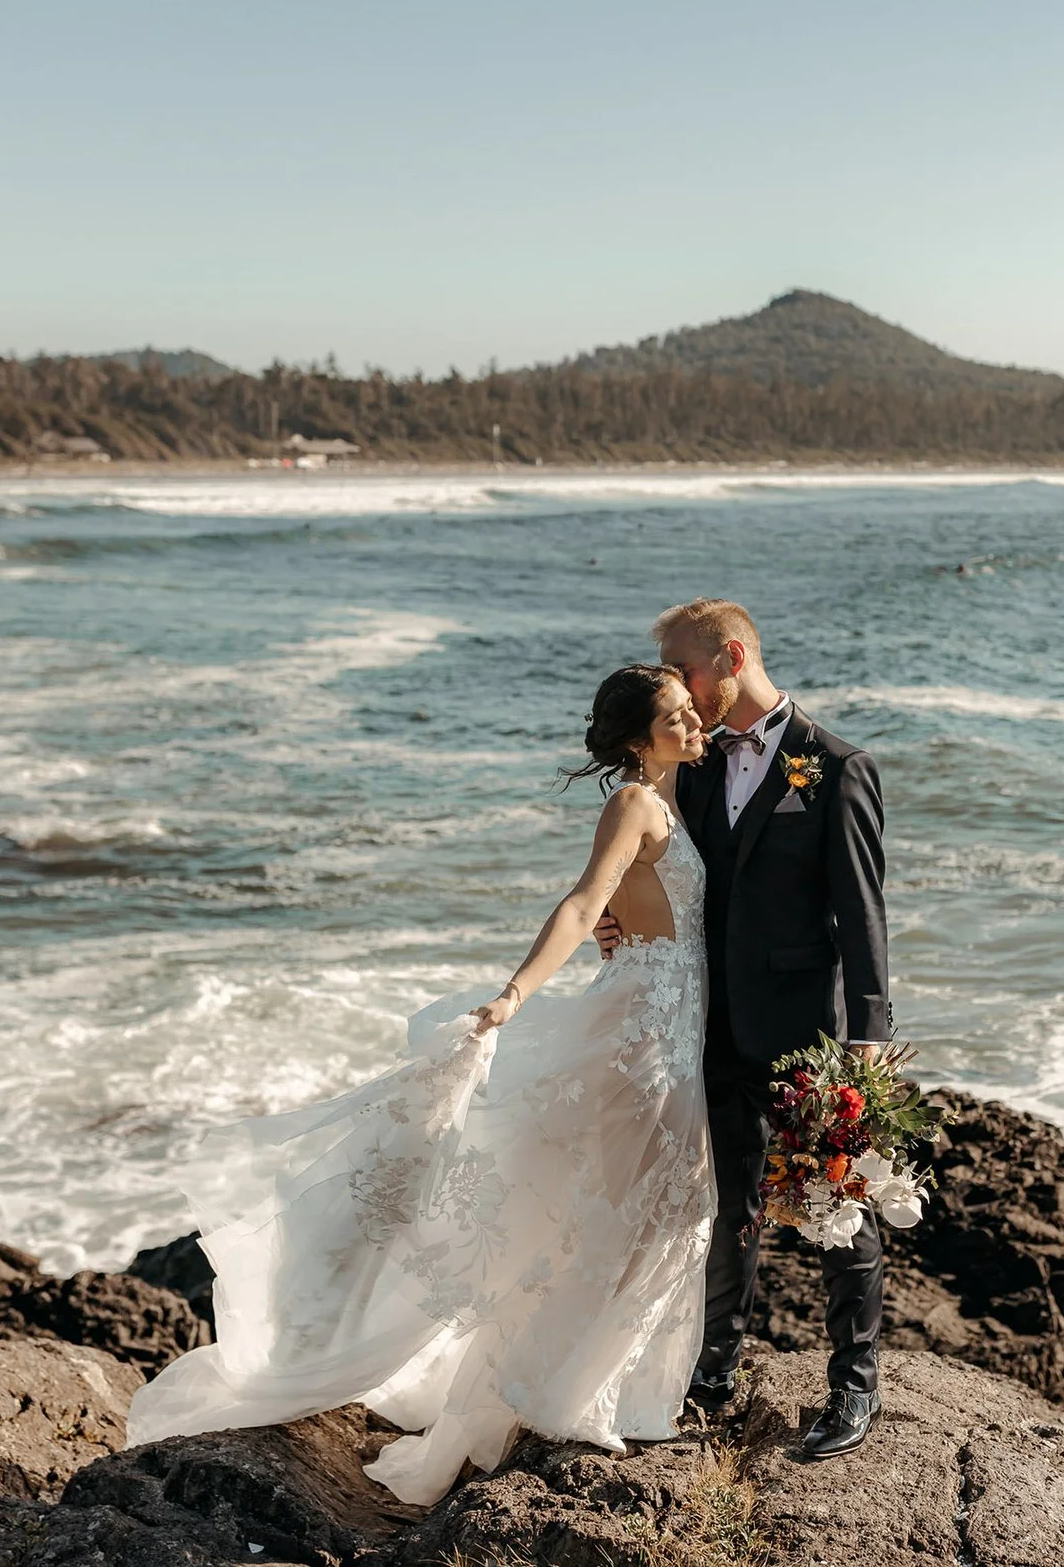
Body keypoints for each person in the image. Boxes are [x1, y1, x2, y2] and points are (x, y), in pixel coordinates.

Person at [124, 664, 714, 1504]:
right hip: (643, 1033)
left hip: (674, 1017)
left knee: (659, 1207)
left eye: (693, 712)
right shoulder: (633, 803)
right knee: (634, 1208)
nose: (694, 725)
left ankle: (611, 1385)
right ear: (634, 738)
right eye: (676, 717)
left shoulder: (678, 794)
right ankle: (570, 1395)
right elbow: (586, 905)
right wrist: (515, 991)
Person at [610, 597, 892, 1461]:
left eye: (688, 673)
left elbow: (863, 913)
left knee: (838, 1207)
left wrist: (868, 1042)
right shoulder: (687, 765)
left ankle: (855, 1383)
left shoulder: (834, 766)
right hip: (709, 1022)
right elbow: (665, 867)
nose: (682, 696)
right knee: (727, 1199)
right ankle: (717, 1369)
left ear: (731, 657)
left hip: (807, 1032)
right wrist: (614, 919)